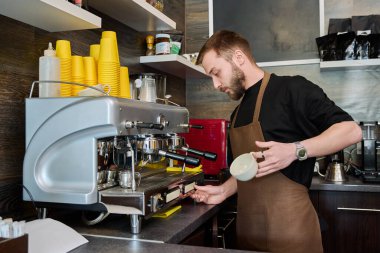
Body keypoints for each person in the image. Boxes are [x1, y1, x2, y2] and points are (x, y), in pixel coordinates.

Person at [190, 30, 362, 253]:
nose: (215, 84)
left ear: (239, 58)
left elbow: (350, 130)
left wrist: (295, 150)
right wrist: (223, 191)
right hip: (249, 233)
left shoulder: (292, 90)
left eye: (216, 72)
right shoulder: (236, 114)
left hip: (292, 234)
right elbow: (249, 172)